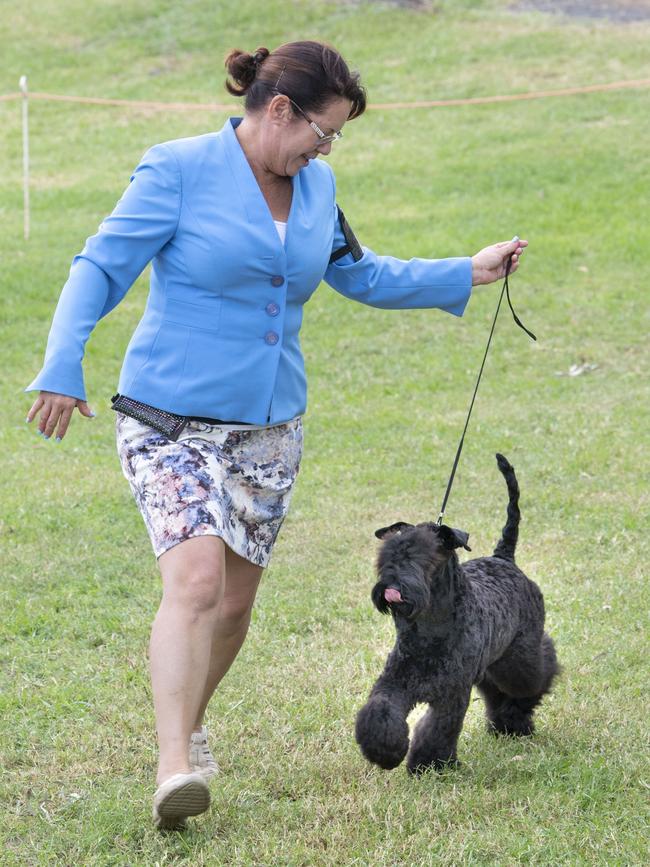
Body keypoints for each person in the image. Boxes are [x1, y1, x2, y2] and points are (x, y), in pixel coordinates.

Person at [25, 40, 528, 829]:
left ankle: (189, 721)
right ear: (279, 109)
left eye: (334, 140)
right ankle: (174, 766)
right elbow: (100, 265)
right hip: (168, 421)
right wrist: (62, 362)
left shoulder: (318, 187)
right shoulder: (177, 169)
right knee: (193, 584)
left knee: (231, 608)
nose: (326, 150)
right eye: (321, 132)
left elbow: (360, 274)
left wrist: (465, 269)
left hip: (268, 432)